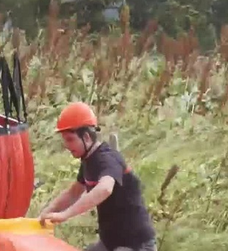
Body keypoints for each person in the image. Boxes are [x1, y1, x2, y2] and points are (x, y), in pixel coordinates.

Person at [37, 102, 157, 251]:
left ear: (86, 137)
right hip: (110, 243)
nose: (66, 145)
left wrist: (66, 215)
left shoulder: (107, 158)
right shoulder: (88, 160)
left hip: (134, 245)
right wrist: (46, 213)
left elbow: (105, 189)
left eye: (70, 139)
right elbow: (73, 193)